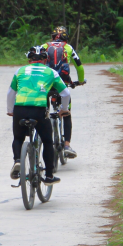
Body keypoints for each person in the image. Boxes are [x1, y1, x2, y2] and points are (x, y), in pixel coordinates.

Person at [7, 46, 70, 185]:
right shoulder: (51, 72)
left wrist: (10, 110)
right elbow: (66, 94)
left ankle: (17, 161)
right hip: (39, 110)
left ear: (29, 60)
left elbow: (10, 93)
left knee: (18, 138)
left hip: (20, 109)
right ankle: (48, 176)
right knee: (47, 141)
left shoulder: (20, 71)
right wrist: (64, 109)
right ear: (45, 60)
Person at [44, 26, 84, 159]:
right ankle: (67, 145)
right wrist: (81, 81)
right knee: (66, 113)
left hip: (46, 86)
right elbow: (79, 66)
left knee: (44, 113)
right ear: (66, 37)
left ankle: (42, 142)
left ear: (52, 37)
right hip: (62, 85)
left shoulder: (44, 46)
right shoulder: (69, 48)